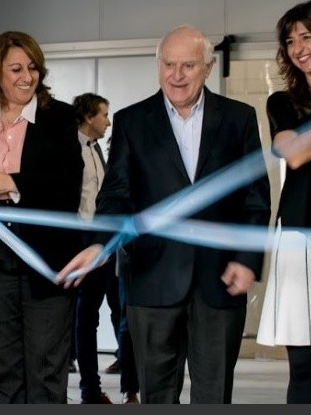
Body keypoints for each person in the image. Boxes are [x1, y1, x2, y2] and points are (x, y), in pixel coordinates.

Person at [56, 24, 271, 404]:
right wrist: (99, 245)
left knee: (214, 394)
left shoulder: (238, 118)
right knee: (156, 395)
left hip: (219, 279)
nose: (176, 75)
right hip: (152, 280)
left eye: (188, 65)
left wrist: (247, 258)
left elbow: (255, 197)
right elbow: (116, 197)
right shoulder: (132, 121)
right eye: (168, 64)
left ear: (207, 66)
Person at [0, 30, 84, 403]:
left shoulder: (59, 117)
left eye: (33, 68)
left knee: (45, 370)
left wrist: (11, 183)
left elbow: (67, 188)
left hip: (47, 262)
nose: (27, 77)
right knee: (4, 370)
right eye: (16, 69)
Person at [255, 0, 311, 404]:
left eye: (307, 35)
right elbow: (296, 154)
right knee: (304, 365)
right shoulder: (284, 103)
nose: (298, 47)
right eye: (289, 41)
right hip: (302, 242)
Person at [70, 92, 118, 404]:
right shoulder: (71, 148)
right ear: (89, 116)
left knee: (105, 314)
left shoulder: (97, 149)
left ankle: (102, 385)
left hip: (103, 243)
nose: (108, 121)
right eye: (104, 115)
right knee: (84, 318)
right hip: (79, 243)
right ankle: (89, 388)